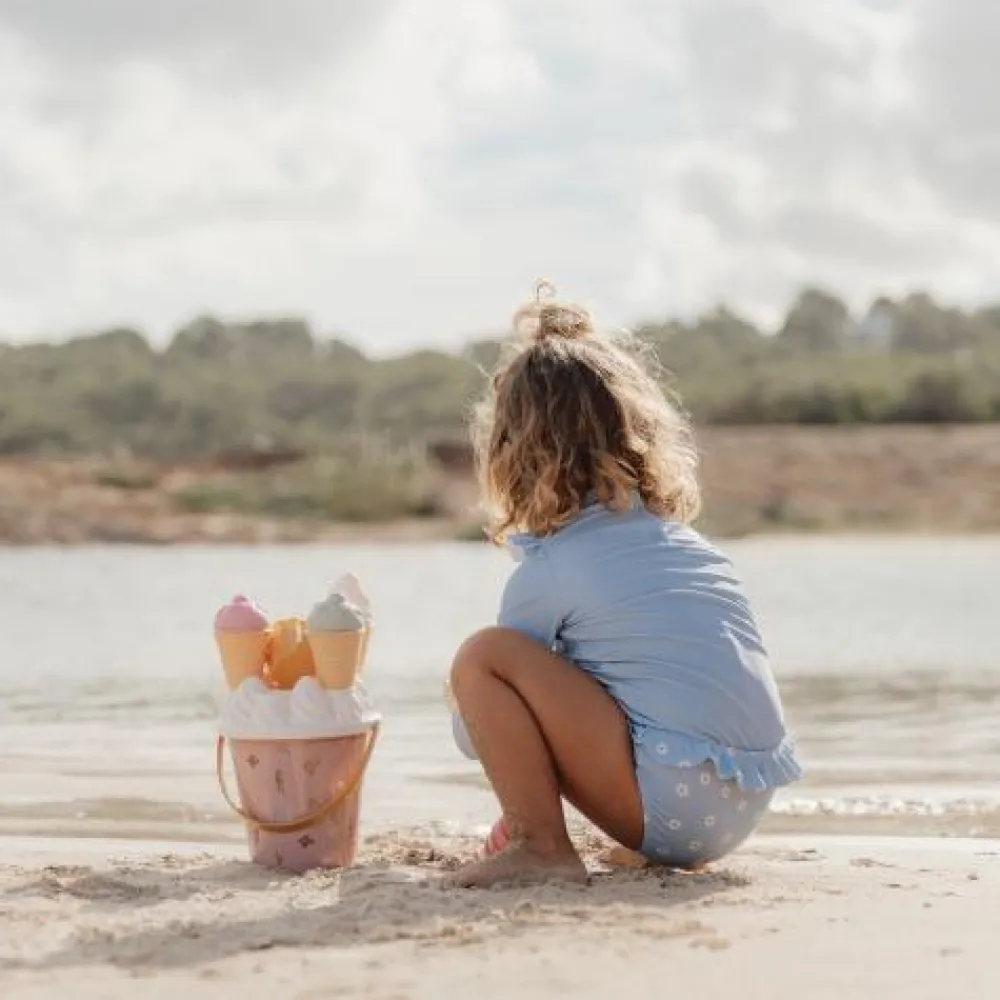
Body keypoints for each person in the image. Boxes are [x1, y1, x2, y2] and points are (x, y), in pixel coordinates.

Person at [448, 281, 802, 888]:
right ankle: (642, 841)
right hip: (744, 803)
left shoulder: (551, 568)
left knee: (484, 659)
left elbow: (473, 733)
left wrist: (482, 711)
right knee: (615, 669)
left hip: (676, 805)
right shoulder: (690, 547)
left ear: (514, 452)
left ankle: (540, 845)